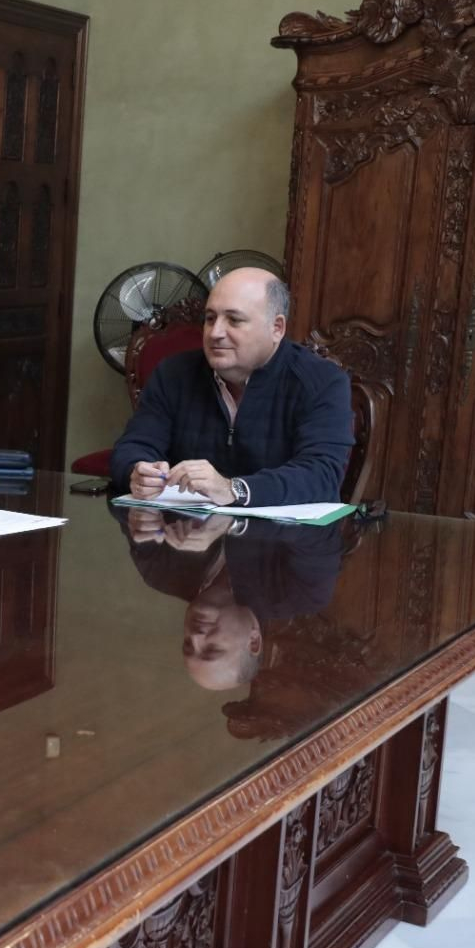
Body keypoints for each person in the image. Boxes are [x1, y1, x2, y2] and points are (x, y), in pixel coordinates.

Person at [110, 268, 354, 507]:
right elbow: (133, 446)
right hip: (186, 535)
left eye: (234, 320)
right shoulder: (173, 374)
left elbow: (321, 474)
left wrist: (233, 489)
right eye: (210, 318)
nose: (215, 333)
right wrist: (138, 470)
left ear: (277, 328)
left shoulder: (322, 381)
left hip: (285, 541)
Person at [118, 508, 344, 690]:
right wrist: (235, 522)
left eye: (188, 645)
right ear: (254, 641)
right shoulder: (300, 593)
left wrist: (141, 512)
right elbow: (321, 526)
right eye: (212, 649)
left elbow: (121, 498)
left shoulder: (161, 573)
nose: (195, 636)